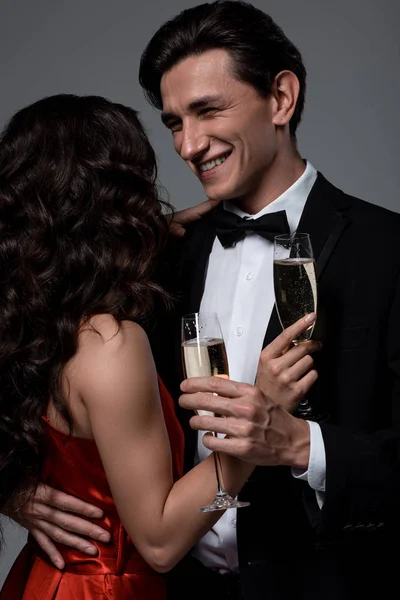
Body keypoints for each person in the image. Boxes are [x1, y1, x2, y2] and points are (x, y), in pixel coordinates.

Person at [9, 1, 400, 598]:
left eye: (207, 110)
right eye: (172, 123)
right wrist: (15, 485)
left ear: (281, 98)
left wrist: (300, 444)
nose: (188, 146)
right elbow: (28, 342)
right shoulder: (151, 259)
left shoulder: (387, 248)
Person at [0, 92, 265, 599]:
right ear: (116, 200)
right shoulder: (110, 343)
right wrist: (253, 432)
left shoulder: (31, 315)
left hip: (47, 580)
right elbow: (161, 543)